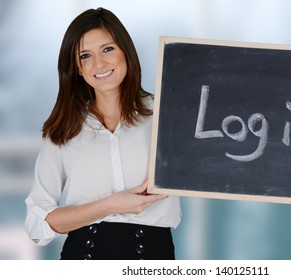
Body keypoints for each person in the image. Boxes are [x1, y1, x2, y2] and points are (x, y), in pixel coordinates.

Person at [25, 7, 181, 260]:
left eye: (108, 49)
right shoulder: (63, 129)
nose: (99, 63)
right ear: (76, 67)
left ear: (126, 52)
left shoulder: (167, 115)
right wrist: (110, 205)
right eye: (85, 55)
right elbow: (37, 224)